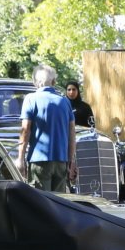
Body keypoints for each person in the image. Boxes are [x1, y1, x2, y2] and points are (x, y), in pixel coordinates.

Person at [17, 64, 76, 192]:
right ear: (54, 82)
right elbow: (72, 133)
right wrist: (71, 161)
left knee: (40, 201)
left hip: (39, 160)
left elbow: (25, 130)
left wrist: (20, 158)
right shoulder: (65, 102)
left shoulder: (30, 99)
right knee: (58, 201)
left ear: (35, 82)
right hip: (61, 161)